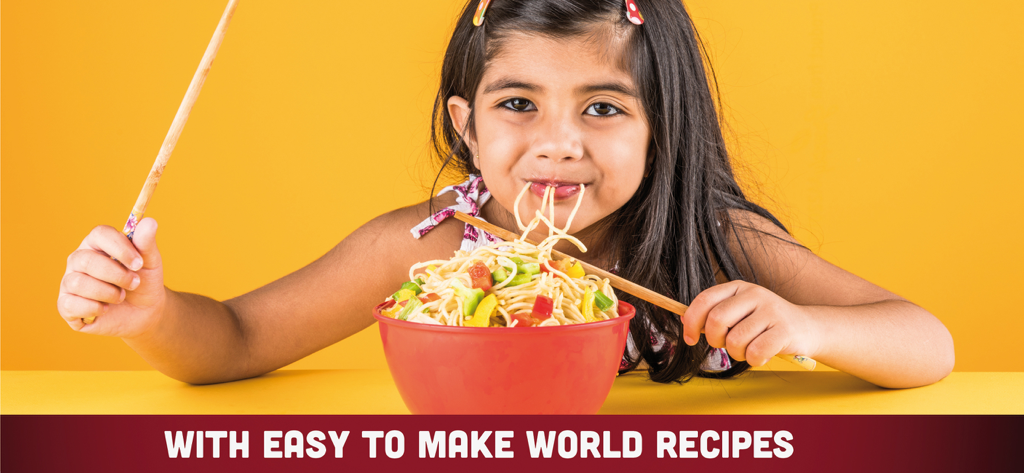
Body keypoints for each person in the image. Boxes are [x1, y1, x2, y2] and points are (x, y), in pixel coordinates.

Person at [57, 0, 954, 389]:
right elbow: (236, 341)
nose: (558, 143)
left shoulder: (707, 239)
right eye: (518, 103)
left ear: (661, 131)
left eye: (603, 107)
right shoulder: (430, 248)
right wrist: (149, 310)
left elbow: (929, 344)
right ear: (467, 124)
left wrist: (807, 327)